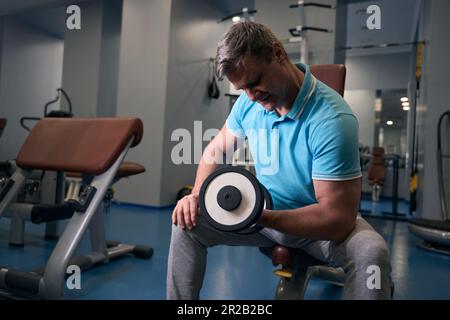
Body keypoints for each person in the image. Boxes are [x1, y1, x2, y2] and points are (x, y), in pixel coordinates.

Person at [167, 21, 391, 300]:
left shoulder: (332, 119)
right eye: (242, 89)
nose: (250, 96)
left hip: (316, 229)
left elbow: (337, 220)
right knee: (185, 223)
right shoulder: (248, 104)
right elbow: (216, 150)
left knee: (371, 252)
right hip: (264, 218)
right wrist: (197, 195)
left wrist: (260, 215)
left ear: (277, 54)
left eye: (255, 82)